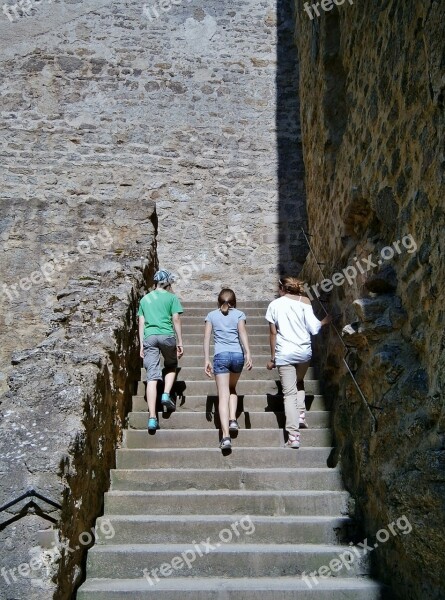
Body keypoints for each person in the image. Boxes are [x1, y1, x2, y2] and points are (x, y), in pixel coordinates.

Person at [265, 277, 331, 449]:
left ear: (281, 288)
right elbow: (314, 328)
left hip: (285, 354)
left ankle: (293, 436)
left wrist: (273, 358)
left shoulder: (274, 305)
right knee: (299, 381)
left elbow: (273, 334)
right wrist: (324, 321)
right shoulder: (305, 301)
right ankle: (301, 414)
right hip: (303, 353)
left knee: (289, 394)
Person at [204, 288, 253, 450]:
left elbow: (206, 339)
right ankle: (233, 419)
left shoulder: (211, 315)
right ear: (234, 301)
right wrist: (248, 354)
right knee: (232, 388)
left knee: (223, 396)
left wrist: (206, 359)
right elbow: (242, 333)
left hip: (221, 356)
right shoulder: (239, 314)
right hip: (237, 356)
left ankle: (225, 437)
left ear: (219, 301)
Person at [138, 269, 184, 432]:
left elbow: (141, 323)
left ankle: (152, 418)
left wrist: (141, 344)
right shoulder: (172, 298)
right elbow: (176, 319)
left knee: (151, 377)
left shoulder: (145, 299)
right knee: (171, 364)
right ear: (168, 283)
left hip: (149, 337)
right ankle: (165, 394)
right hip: (167, 335)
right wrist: (180, 341)